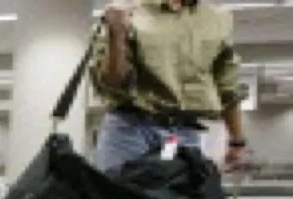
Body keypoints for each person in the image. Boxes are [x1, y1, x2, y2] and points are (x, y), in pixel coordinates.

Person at [90, 0, 249, 173]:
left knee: (181, 190)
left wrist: (237, 142)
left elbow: (228, 86)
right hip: (130, 129)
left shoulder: (216, 19)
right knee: (116, 190)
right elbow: (112, 83)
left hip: (182, 133)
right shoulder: (128, 10)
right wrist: (116, 35)